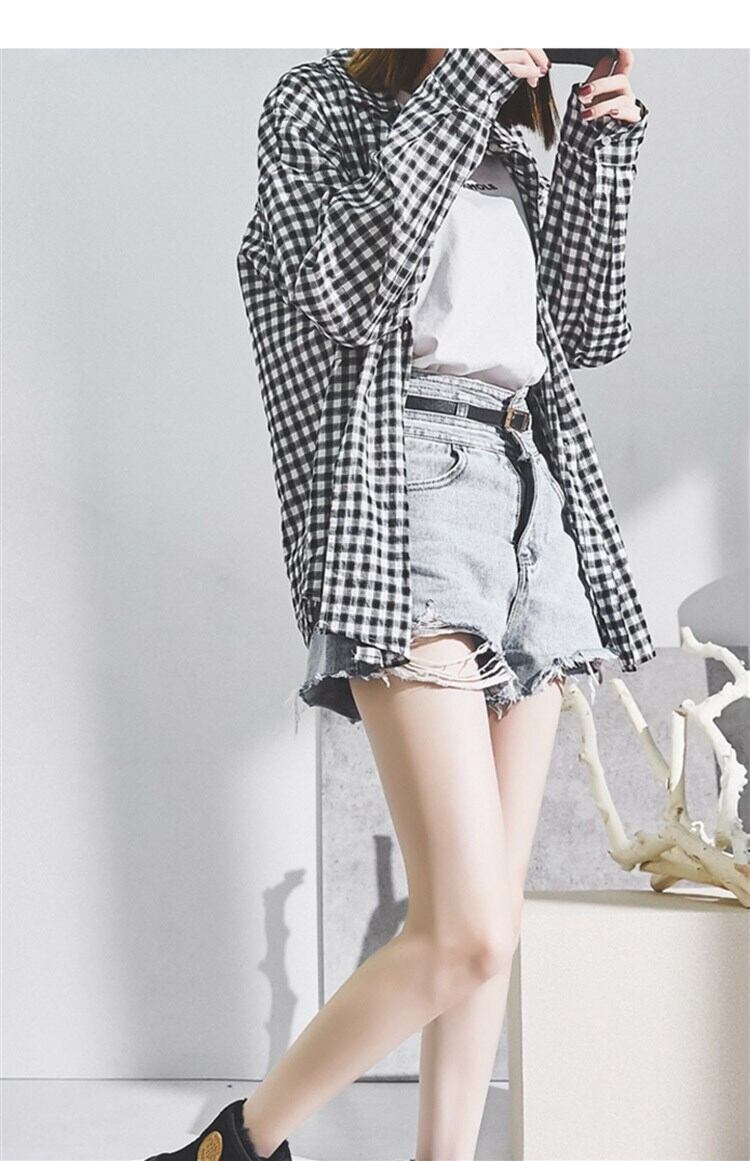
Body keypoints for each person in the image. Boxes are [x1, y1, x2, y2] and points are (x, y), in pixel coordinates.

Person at [146, 47, 655, 1161]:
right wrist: (467, 79)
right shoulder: (319, 104)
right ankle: (235, 1144)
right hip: (407, 489)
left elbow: (586, 331)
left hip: (530, 495)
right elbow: (346, 292)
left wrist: (601, 145)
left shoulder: (513, 136)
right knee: (465, 931)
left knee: (488, 931)